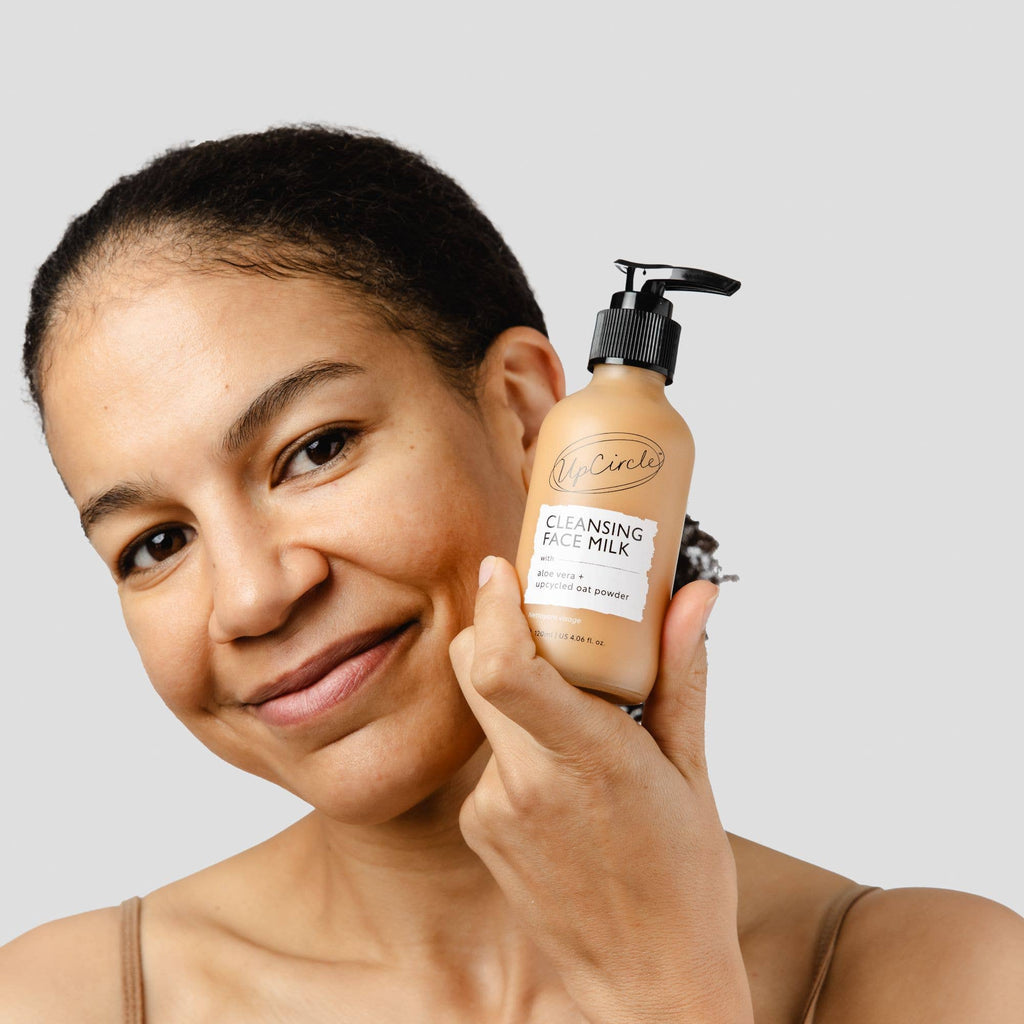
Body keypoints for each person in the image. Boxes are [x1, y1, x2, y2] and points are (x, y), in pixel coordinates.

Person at [3, 124, 1022, 1023]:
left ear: (532, 418)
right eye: (154, 543)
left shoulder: (947, 979)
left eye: (314, 449)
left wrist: (666, 988)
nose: (254, 595)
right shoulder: (60, 1002)